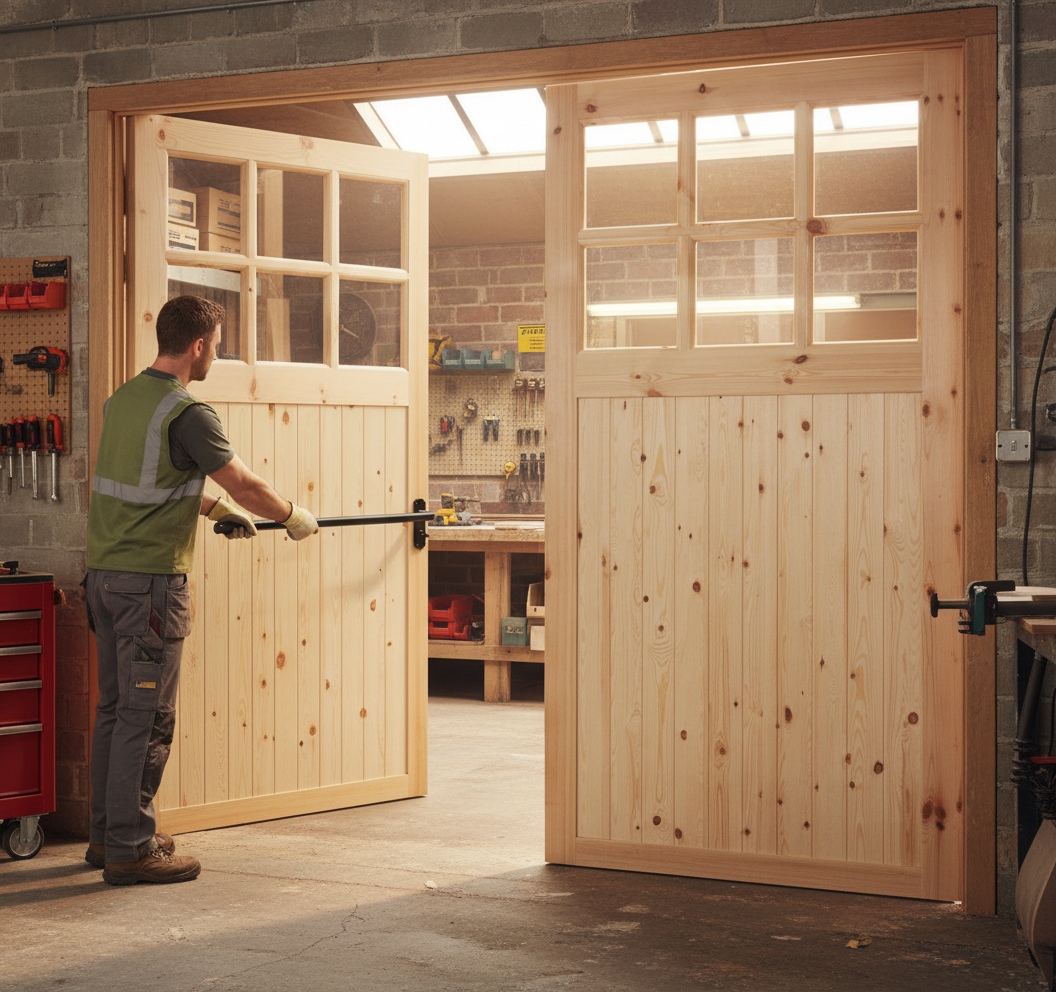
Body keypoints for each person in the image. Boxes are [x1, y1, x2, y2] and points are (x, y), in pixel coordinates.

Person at [84, 295, 319, 885]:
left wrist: (211, 508)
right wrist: (291, 515)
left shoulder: (124, 400)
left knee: (115, 711)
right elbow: (246, 483)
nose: (218, 351)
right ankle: (131, 849)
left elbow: (145, 485)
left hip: (105, 581)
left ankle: (108, 835)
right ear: (198, 346)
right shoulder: (188, 412)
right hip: (149, 587)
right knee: (146, 717)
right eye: (217, 342)